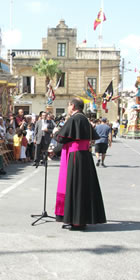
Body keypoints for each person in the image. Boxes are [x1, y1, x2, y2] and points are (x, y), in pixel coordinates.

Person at [54, 98, 106, 230]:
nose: (68, 107)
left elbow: (61, 137)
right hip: (85, 156)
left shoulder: (74, 118)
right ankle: (80, 220)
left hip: (76, 156)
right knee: (83, 188)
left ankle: (76, 221)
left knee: (75, 187)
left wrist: (55, 132)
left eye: (68, 105)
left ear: (73, 106)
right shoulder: (84, 118)